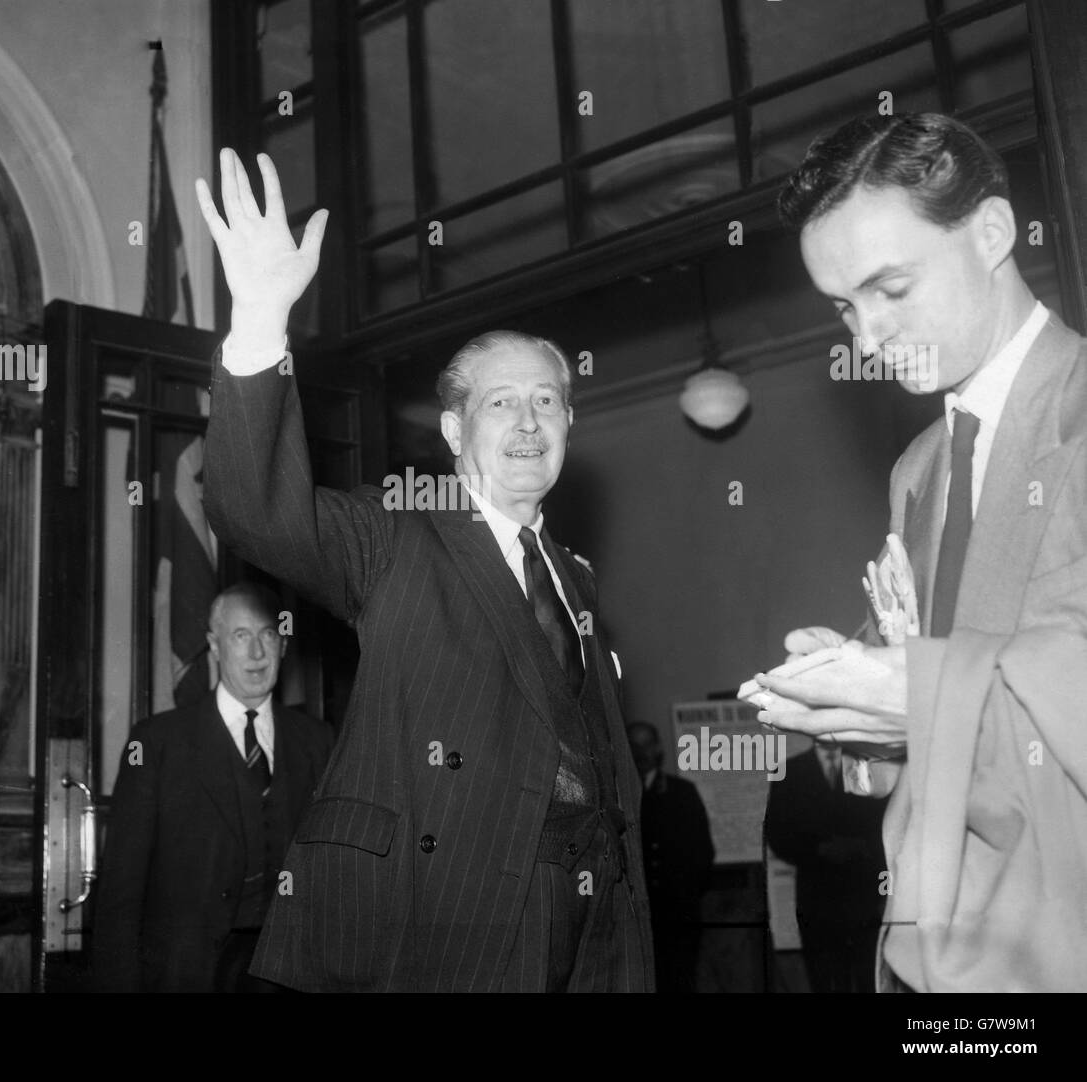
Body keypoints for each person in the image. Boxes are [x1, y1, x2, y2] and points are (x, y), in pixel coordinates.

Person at [194, 149, 654, 992]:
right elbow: (258, 513)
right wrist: (261, 318)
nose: (526, 420)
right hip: (442, 917)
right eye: (499, 402)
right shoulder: (397, 535)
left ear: (569, 423)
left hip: (588, 928)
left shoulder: (575, 579)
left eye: (546, 400)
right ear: (452, 434)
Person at [756, 112, 1087, 991]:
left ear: (990, 233)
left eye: (891, 288)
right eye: (843, 306)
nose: (866, 338)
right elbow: (922, 745)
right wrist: (854, 713)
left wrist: (922, 694)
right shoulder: (919, 469)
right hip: (941, 962)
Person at [93, 582, 334, 992]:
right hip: (188, 975)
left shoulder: (319, 741)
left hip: (289, 974)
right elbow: (121, 889)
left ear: (283, 647)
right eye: (241, 637)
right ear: (214, 645)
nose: (257, 653)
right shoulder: (157, 742)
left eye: (268, 636)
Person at [764, 743, 888, 993]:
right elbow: (777, 833)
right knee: (824, 979)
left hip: (862, 897)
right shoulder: (789, 772)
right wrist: (818, 850)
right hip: (816, 899)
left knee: (868, 977)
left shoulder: (867, 768)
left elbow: (885, 823)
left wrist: (859, 847)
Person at [627, 722, 714, 992]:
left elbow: (702, 853)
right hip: (636, 917)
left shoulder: (681, 793)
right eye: (633, 745)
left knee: (679, 980)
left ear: (658, 748)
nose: (641, 752)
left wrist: (684, 895)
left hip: (678, 914)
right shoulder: (619, 795)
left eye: (646, 744)